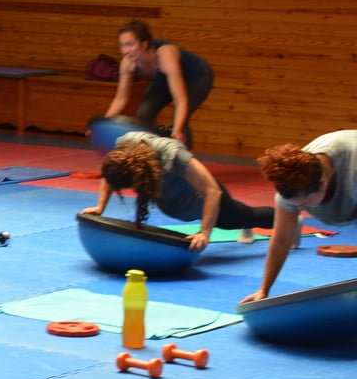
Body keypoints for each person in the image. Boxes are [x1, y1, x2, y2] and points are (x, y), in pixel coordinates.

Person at [83, 131, 274, 251]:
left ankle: (289, 219)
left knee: (242, 217)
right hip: (175, 203)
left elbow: (212, 191)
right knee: (241, 214)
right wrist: (100, 206)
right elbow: (110, 175)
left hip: (203, 202)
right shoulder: (125, 146)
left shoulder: (173, 154)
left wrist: (205, 232)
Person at [240, 131, 357, 304]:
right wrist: (264, 290)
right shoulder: (294, 178)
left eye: (305, 203)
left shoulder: (352, 170)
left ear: (322, 184)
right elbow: (281, 240)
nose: (301, 209)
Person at [103, 19, 213, 148]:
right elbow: (121, 98)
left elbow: (181, 101)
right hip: (165, 80)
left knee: (179, 119)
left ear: (144, 44)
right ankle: (148, 155)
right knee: (144, 113)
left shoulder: (165, 57)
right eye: (122, 45)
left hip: (197, 77)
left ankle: (185, 156)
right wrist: (102, 124)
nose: (125, 51)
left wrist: (176, 131)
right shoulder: (128, 63)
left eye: (129, 44)